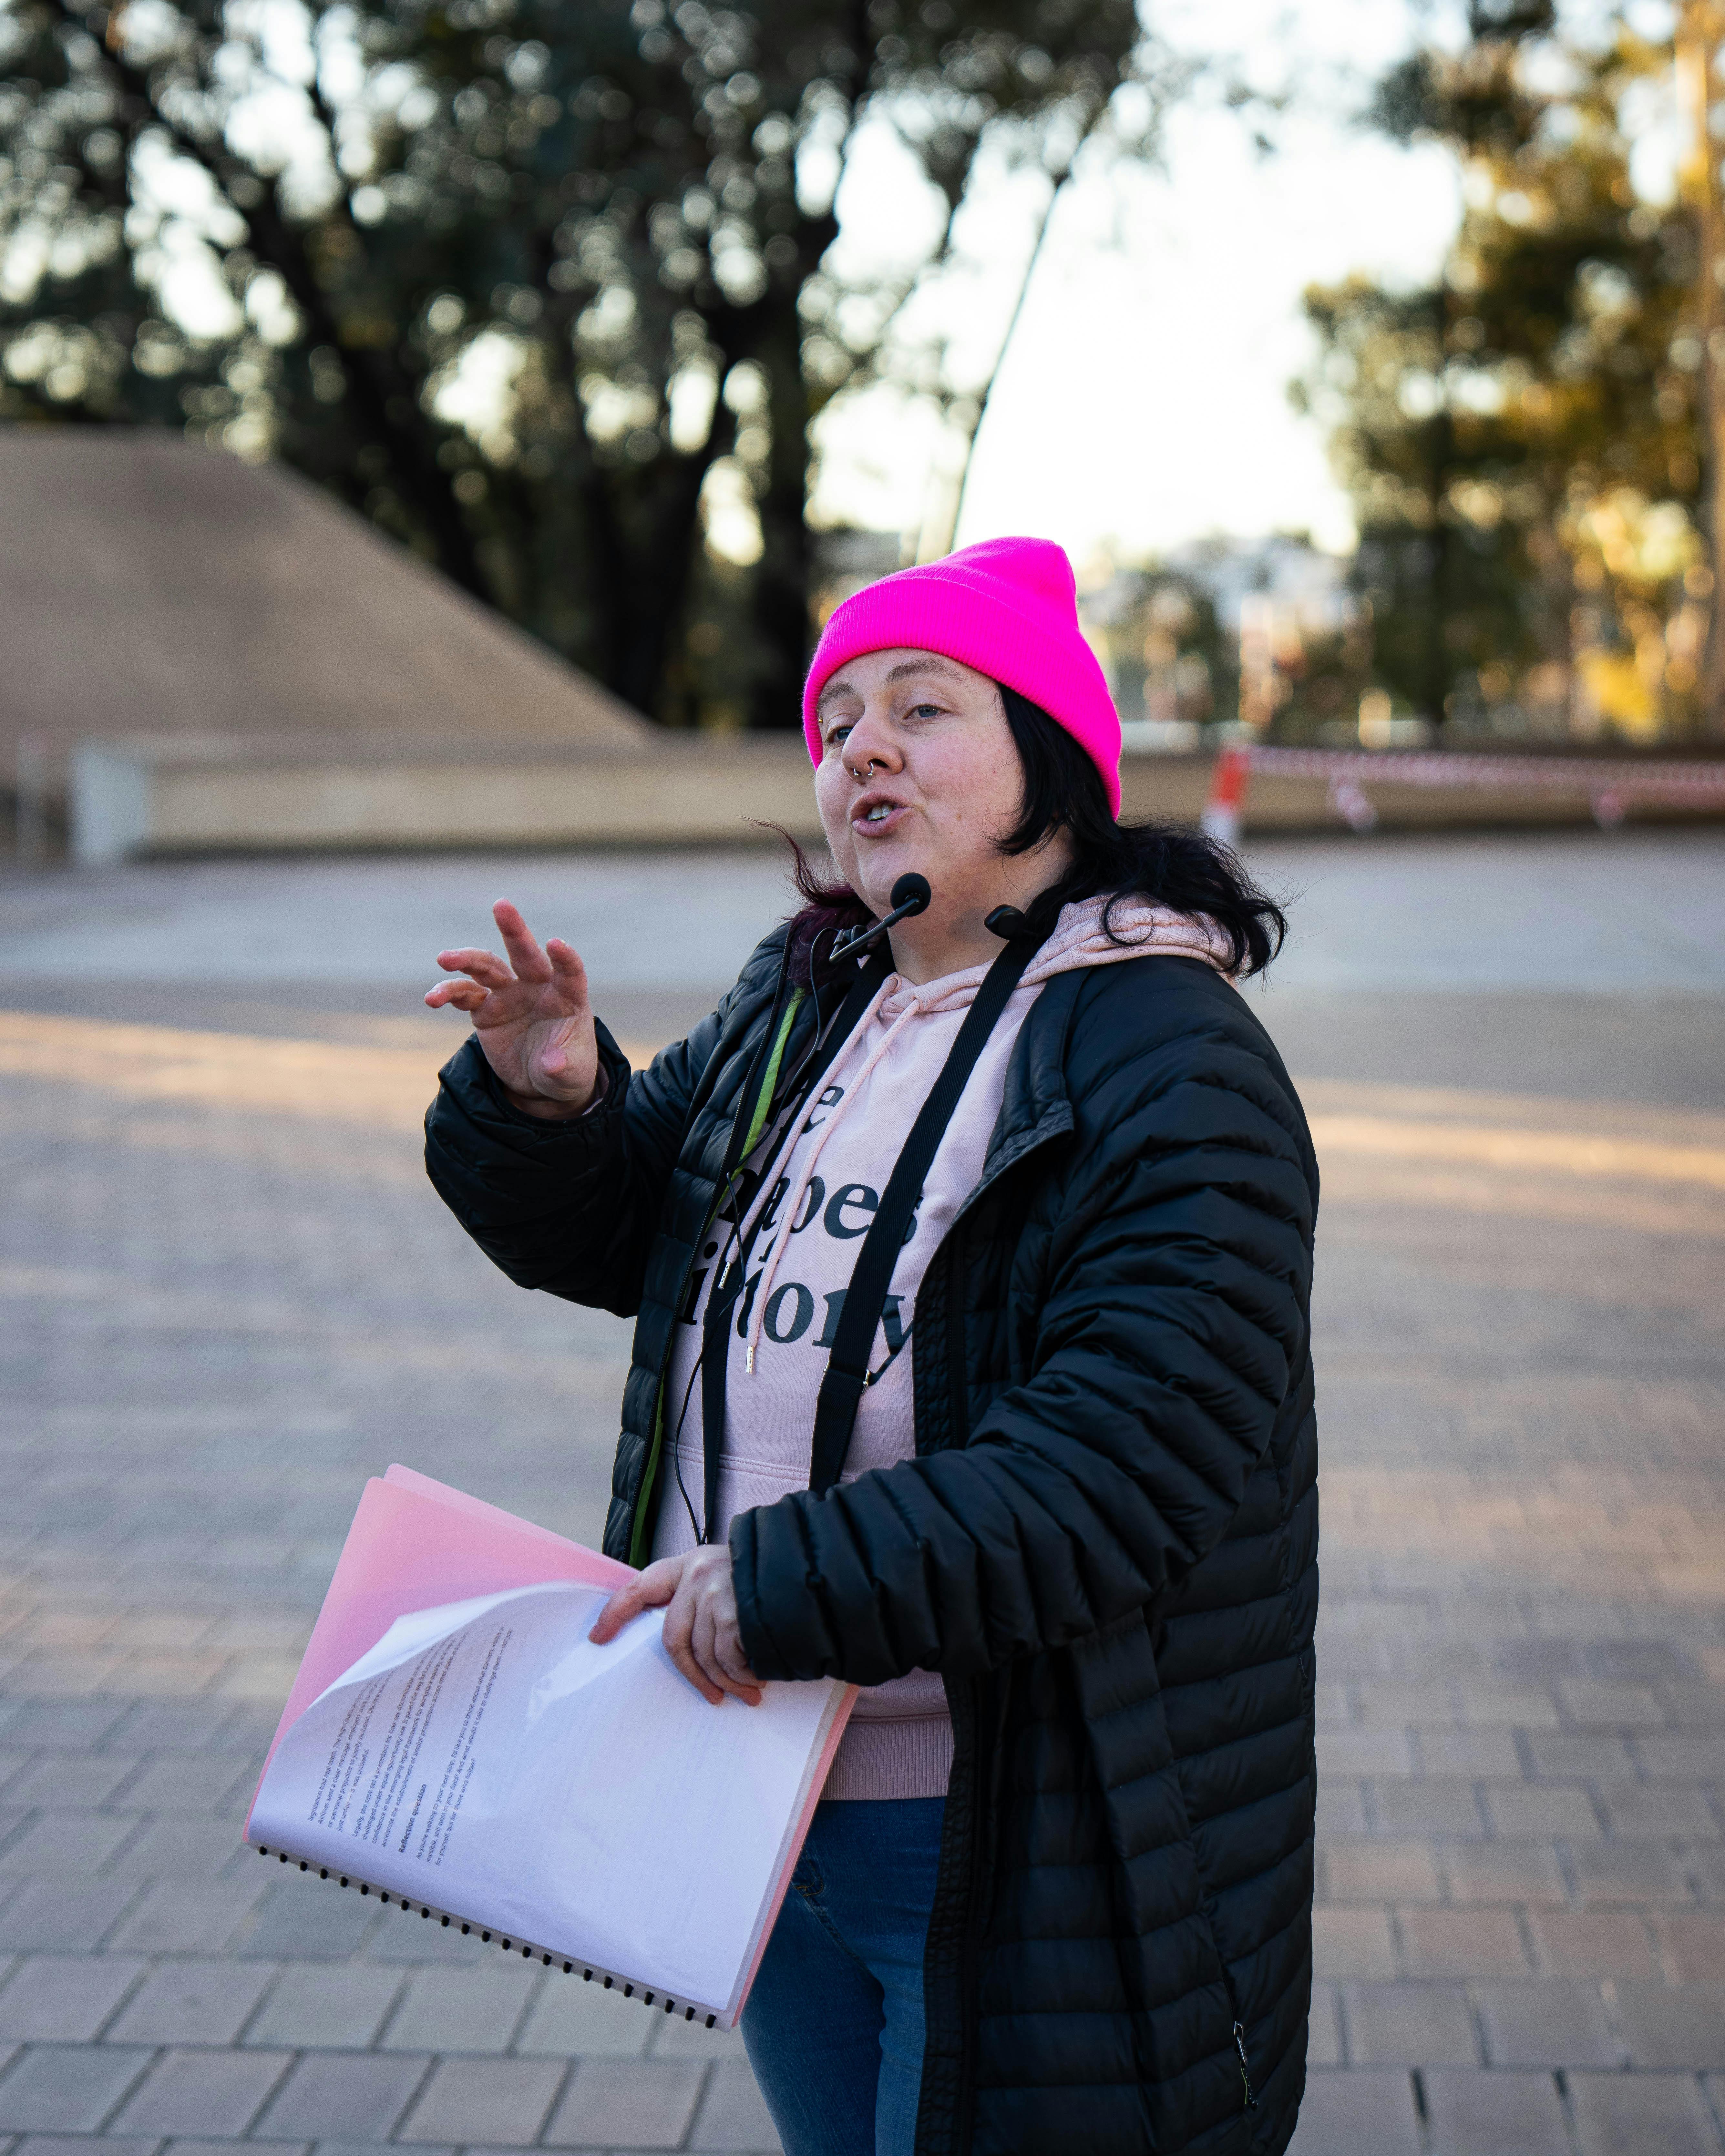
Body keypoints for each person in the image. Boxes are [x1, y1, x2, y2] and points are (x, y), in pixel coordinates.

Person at [422, 536, 1318, 2156]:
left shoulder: (1166, 1051)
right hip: (752, 1796)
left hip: (1017, 1838)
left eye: (923, 706)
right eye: (838, 720)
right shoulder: (808, 990)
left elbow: (1127, 1462)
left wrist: (779, 1581)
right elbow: (635, 1229)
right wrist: (547, 1103)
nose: (864, 749)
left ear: (1049, 759)